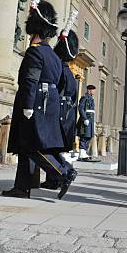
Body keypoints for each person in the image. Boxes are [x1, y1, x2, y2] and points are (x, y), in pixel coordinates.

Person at [2, 0, 76, 199]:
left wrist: (27, 105)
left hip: (35, 103)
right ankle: (23, 187)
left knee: (33, 147)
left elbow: (30, 80)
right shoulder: (53, 56)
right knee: (27, 146)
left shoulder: (35, 52)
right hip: (49, 102)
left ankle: (62, 173)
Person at [42, 11, 80, 190]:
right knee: (54, 148)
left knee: (50, 147)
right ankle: (55, 178)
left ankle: (64, 171)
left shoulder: (61, 71)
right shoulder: (69, 72)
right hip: (67, 113)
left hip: (60, 112)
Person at [76, 84, 96, 161]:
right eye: (93, 90)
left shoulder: (91, 98)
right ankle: (81, 152)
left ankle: (84, 152)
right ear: (89, 90)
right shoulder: (84, 98)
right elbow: (81, 108)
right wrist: (84, 118)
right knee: (84, 135)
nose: (94, 91)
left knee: (88, 136)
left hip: (90, 120)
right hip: (86, 120)